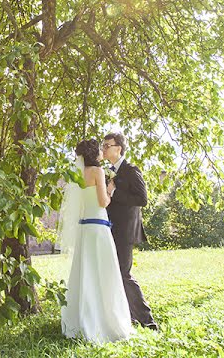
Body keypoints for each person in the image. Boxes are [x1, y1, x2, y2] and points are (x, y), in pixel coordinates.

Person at [59, 139, 134, 343]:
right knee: (104, 271)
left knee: (85, 272)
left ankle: (79, 319)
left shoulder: (77, 175)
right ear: (94, 153)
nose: (103, 152)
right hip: (98, 226)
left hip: (84, 227)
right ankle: (103, 319)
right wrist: (110, 190)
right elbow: (102, 202)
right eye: (100, 149)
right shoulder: (97, 172)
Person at [103, 131, 158, 330]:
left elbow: (142, 199)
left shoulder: (131, 170)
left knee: (124, 273)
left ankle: (147, 321)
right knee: (116, 274)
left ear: (118, 148)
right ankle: (129, 317)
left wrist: (114, 192)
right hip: (111, 229)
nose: (104, 148)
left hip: (126, 230)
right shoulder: (108, 171)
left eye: (107, 145)